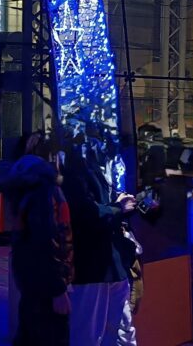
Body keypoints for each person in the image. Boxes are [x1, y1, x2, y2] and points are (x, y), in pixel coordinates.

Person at [63, 127, 136, 346]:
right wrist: (118, 208)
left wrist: (118, 205)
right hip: (94, 267)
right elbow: (86, 213)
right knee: (90, 332)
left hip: (110, 264)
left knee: (120, 329)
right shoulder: (75, 170)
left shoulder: (93, 167)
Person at [5, 137, 72, 345]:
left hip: (28, 277)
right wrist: (57, 288)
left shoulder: (23, 183)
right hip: (45, 283)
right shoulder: (44, 187)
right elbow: (46, 237)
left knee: (29, 333)